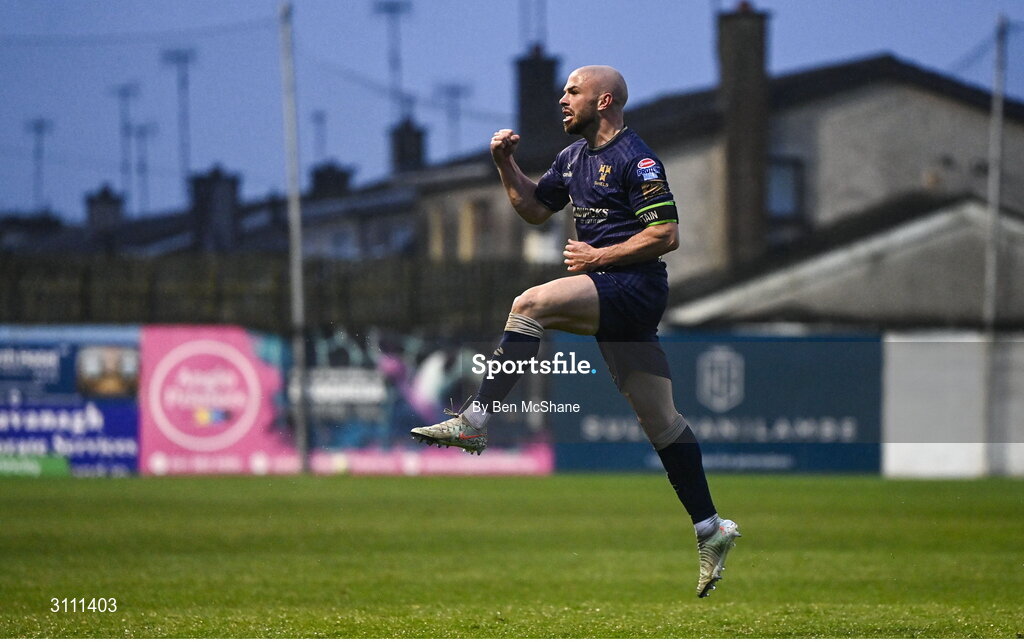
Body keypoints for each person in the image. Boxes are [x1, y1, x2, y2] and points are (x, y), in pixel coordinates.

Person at [411, 65, 740, 598]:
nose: (562, 100)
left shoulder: (639, 158)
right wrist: (505, 164)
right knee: (661, 421)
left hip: (633, 287)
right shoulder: (572, 158)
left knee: (530, 303)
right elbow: (535, 210)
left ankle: (475, 419)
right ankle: (711, 528)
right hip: (610, 290)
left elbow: (666, 233)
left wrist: (598, 255)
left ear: (604, 99)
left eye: (572, 91)